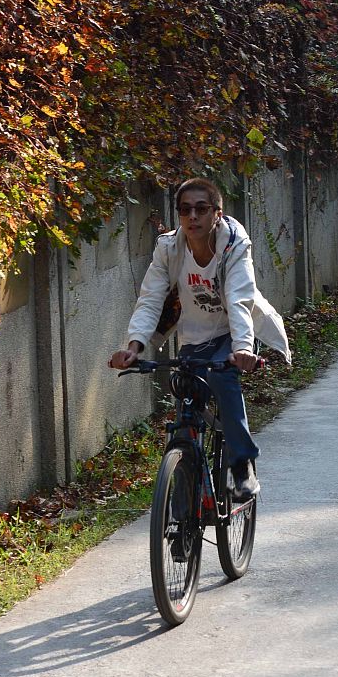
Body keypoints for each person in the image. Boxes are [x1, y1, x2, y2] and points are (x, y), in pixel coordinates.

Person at [109, 176, 291, 500]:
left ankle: (242, 465)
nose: (192, 216)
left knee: (222, 379)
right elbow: (150, 299)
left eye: (201, 209)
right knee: (186, 403)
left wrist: (243, 349)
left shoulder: (234, 244)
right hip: (194, 338)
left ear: (217, 214)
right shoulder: (169, 248)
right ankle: (180, 512)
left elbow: (239, 299)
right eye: (185, 210)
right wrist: (134, 346)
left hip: (231, 334)